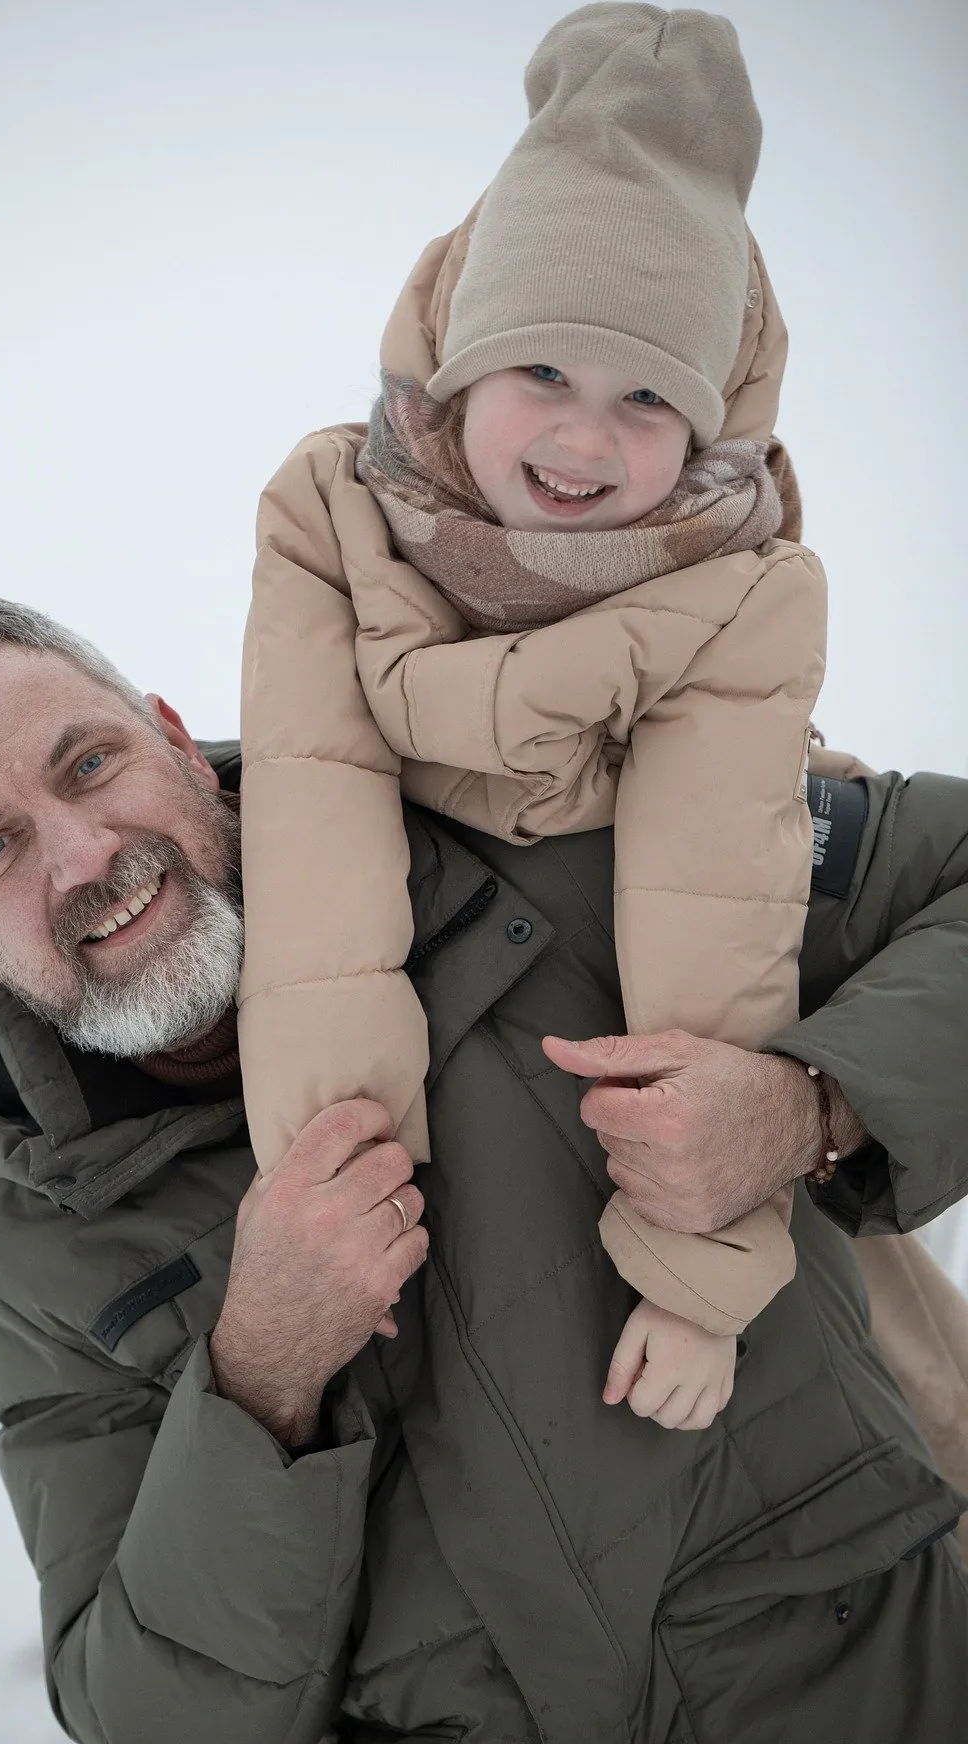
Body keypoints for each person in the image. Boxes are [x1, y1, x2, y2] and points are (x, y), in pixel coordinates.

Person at [0, 599, 968, 1744]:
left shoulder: (531, 831)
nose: (84, 855)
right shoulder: (25, 1267)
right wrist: (259, 1374)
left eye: (88, 765)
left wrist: (809, 1104)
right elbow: (177, 1735)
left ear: (177, 742)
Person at [240, 4, 827, 1431]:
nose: (582, 438)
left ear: (706, 431)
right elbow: (316, 878)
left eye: (648, 398)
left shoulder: (742, 587)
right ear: (459, 362)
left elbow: (715, 900)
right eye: (543, 371)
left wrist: (702, 1261)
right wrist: (346, 1201)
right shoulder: (333, 514)